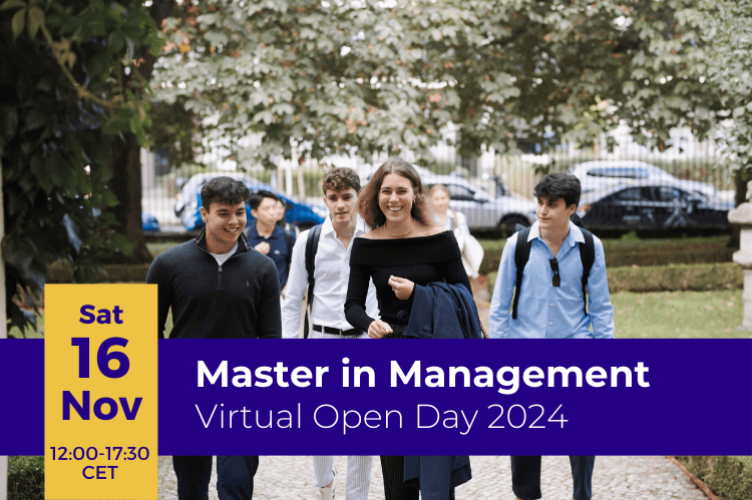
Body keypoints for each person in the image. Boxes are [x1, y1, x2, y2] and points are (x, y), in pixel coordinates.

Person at [344, 157, 477, 500]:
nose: (393, 198)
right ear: (376, 196)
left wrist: (418, 294)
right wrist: (368, 322)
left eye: (401, 190)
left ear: (415, 194)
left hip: (435, 354)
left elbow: (465, 299)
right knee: (396, 467)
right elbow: (352, 306)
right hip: (389, 351)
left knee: (437, 462)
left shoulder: (441, 239)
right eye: (385, 191)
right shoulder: (365, 244)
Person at [146, 176, 282, 500]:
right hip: (187, 389)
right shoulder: (168, 264)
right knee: (191, 486)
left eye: (239, 212)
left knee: (236, 484)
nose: (234, 221)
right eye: (223, 213)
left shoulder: (263, 269)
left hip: (244, 390)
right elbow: (147, 332)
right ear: (204, 213)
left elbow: (271, 337)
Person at [488, 172, 614, 500]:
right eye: (539, 203)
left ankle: (582, 494)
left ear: (571, 208)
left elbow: (601, 307)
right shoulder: (518, 245)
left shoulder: (589, 246)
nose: (542, 211)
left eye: (552, 205)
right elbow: (500, 305)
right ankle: (525, 495)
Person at [282, 167, 378, 500]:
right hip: (321, 341)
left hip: (365, 341)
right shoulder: (307, 242)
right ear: (325, 200)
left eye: (346, 197)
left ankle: (357, 496)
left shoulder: (376, 238)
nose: (340, 205)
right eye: (333, 198)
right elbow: (293, 300)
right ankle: (325, 485)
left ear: (358, 198)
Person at [245, 190, 296, 295]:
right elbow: (238, 272)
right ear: (254, 212)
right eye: (266, 209)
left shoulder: (288, 236)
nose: (273, 212)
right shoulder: (244, 237)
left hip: (280, 301)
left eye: (274, 207)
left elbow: (295, 270)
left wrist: (284, 294)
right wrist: (254, 255)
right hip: (253, 301)